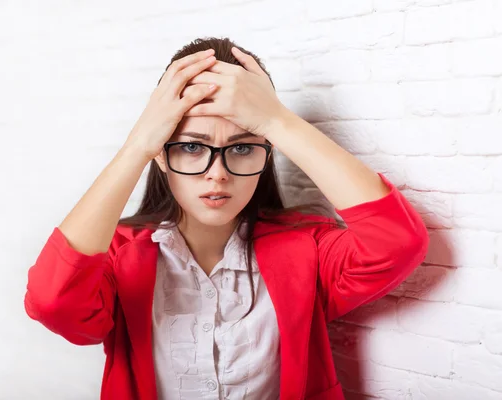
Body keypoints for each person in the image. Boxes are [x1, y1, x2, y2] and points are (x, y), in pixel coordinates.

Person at [24, 37, 429, 400]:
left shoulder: (307, 248)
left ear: (267, 153)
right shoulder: (117, 257)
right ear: (161, 155)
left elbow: (395, 243)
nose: (216, 173)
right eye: (190, 147)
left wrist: (276, 121)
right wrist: (137, 146)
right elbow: (53, 302)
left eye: (241, 149)